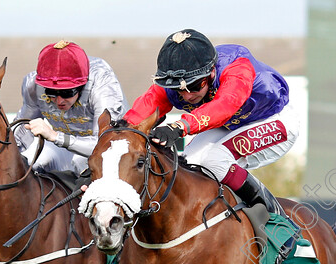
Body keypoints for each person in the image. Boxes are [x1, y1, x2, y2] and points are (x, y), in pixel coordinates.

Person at [122, 29, 299, 218]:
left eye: (195, 85)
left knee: (215, 161)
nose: (188, 95)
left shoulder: (238, 68)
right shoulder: (173, 84)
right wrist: (116, 138)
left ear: (212, 71)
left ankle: (275, 217)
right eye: (179, 89)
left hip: (275, 121)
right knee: (185, 168)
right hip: (229, 125)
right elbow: (137, 116)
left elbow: (225, 105)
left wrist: (180, 127)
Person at [14, 40, 127, 176]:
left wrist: (56, 137)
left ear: (82, 85)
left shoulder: (102, 86)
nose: (59, 101)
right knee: (30, 162)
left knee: (80, 162)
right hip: (62, 145)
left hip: (108, 149)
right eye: (51, 93)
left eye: (67, 92)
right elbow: (20, 130)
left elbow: (105, 144)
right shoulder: (32, 85)